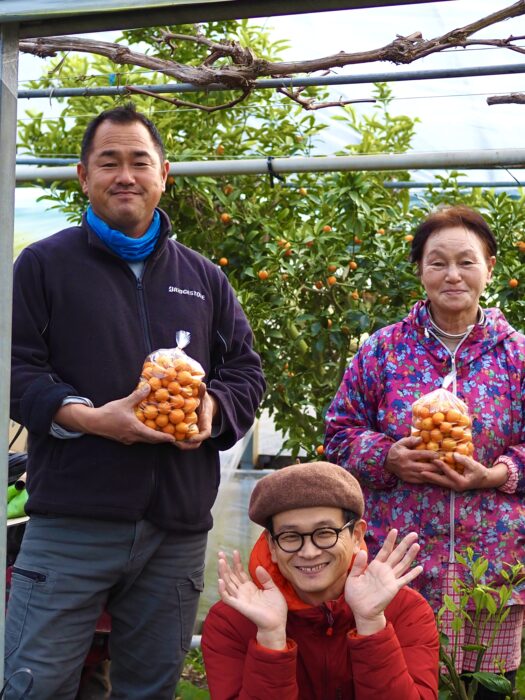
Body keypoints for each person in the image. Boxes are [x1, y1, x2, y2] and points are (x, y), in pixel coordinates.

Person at [8, 103, 265, 700]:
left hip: (173, 531)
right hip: (71, 523)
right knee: (33, 684)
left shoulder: (204, 279)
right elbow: (15, 371)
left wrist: (214, 410)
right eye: (109, 162)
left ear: (164, 173)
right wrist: (90, 419)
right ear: (83, 175)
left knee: (150, 689)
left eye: (139, 162)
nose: (125, 175)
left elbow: (244, 371)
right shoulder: (43, 266)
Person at [324, 205, 525, 698]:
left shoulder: (517, 355)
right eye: (437, 262)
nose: (452, 274)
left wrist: (497, 474)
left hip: (491, 570)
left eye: (466, 261)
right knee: (392, 683)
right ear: (419, 270)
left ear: (490, 267)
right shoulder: (383, 350)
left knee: (484, 689)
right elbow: (338, 433)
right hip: (400, 567)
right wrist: (387, 456)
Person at [202, 461, 439, 699]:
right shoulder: (232, 620)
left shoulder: (405, 610)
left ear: (356, 536)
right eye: (290, 536)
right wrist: (271, 637)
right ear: (272, 545)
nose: (309, 552)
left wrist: (371, 625)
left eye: (325, 533)